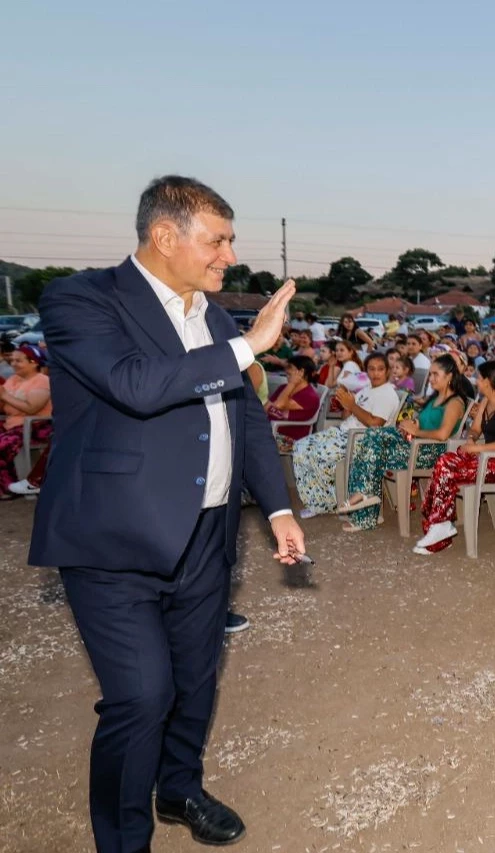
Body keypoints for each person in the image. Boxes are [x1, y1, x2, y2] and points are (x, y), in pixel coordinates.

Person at [32, 176, 305, 852]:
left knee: (193, 680)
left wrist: (276, 509)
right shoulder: (81, 300)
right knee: (141, 697)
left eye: (230, 240)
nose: (229, 255)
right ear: (165, 236)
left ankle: (179, 786)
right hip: (113, 539)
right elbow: (135, 385)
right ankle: (124, 841)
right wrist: (250, 344)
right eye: (218, 240)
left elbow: (243, 415)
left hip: (207, 536)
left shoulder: (208, 314)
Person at [337, 354, 469, 532]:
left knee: (373, 452)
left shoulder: (455, 402)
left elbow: (443, 434)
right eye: (430, 374)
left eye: (435, 374)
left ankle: (364, 503)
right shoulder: (435, 398)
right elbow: (424, 422)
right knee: (372, 436)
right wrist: (412, 424)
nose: (431, 379)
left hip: (429, 452)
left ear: (450, 376)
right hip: (415, 445)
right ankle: (365, 499)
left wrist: (417, 431)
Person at [414, 360, 495, 555]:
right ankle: (441, 524)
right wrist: (472, 439)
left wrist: (476, 448)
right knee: (445, 461)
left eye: (479, 378)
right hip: (487, 457)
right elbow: (474, 429)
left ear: (488, 382)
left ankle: (440, 526)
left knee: (447, 467)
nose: (476, 381)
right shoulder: (485, 401)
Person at [292, 353, 402, 518]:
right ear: (366, 371)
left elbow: (374, 424)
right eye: (371, 369)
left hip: (361, 439)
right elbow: (346, 417)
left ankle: (325, 503)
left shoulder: (387, 394)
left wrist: (352, 405)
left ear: (387, 371)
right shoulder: (367, 389)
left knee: (318, 454)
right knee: (299, 447)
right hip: (343, 432)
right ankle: (316, 498)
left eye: (380, 369)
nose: (376, 373)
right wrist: (346, 403)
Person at [0, 344, 52, 495]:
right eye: (12, 361)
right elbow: (5, 408)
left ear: (33, 362)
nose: (13, 364)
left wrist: (5, 396)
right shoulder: (13, 379)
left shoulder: (42, 381)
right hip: (12, 423)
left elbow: (31, 409)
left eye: (18, 361)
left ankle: (7, 488)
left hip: (35, 427)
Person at [265, 355, 322, 452]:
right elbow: (266, 408)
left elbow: (279, 405)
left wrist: (292, 383)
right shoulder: (284, 388)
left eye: (290, 368)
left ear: (301, 372)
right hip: (270, 430)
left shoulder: (309, 396)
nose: (286, 370)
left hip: (289, 439)